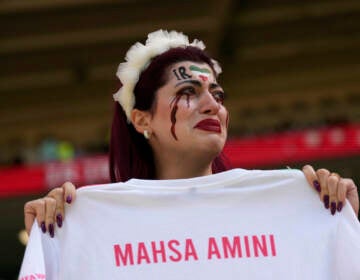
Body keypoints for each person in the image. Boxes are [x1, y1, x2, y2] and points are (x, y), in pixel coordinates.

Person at [23, 29, 359, 238]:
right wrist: (53, 243)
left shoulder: (288, 204)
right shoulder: (95, 224)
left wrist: (342, 224)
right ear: (141, 120)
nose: (213, 105)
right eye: (188, 92)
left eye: (218, 94)